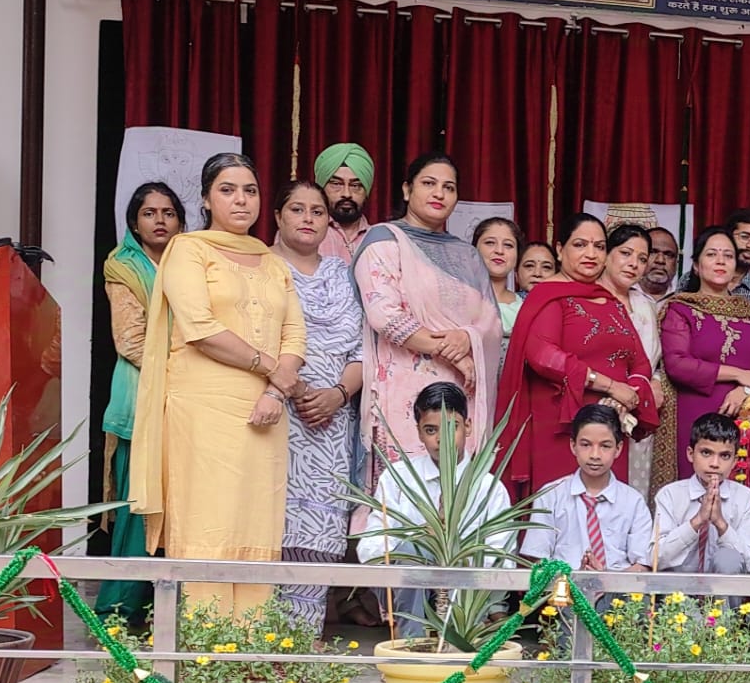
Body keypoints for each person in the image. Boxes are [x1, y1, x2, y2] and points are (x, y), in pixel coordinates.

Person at [131, 153, 307, 615]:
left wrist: (274, 391)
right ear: (207, 199)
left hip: (265, 415)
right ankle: (207, 654)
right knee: (209, 526)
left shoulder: (272, 262)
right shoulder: (188, 251)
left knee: (256, 527)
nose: (241, 199)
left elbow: (295, 332)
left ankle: (251, 650)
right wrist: (273, 370)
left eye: (249, 190)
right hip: (203, 414)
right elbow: (200, 327)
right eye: (227, 190)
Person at [355, 152, 502, 479]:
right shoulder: (384, 240)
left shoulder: (468, 256)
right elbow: (384, 314)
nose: (439, 193)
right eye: (429, 184)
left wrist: (466, 339)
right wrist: (451, 353)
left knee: (454, 491)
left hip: (460, 390)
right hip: (402, 393)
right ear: (407, 190)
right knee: (403, 491)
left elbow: (491, 322)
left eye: (448, 187)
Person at [495, 214, 659, 499]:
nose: (591, 254)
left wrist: (629, 394)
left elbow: (640, 361)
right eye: (580, 244)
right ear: (560, 249)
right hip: (562, 424)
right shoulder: (549, 296)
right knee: (561, 507)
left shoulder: (608, 299)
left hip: (611, 422)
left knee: (606, 509)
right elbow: (543, 355)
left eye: (598, 246)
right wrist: (610, 386)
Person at [268, 179, 364, 635]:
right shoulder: (261, 269)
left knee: (318, 537)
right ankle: (255, 648)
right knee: (269, 532)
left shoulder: (344, 274)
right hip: (275, 414)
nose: (308, 218)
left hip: (332, 422)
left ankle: (300, 645)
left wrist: (337, 394)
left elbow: (366, 350)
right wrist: (295, 386)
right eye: (297, 209)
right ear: (278, 217)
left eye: (318, 211)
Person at [96, 181, 185, 625]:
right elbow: (130, 340)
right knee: (138, 510)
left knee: (179, 513)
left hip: (186, 407)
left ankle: (160, 613)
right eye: (150, 213)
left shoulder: (191, 259)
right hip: (140, 400)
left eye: (168, 212)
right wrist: (188, 363)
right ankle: (117, 609)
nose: (160, 221)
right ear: (134, 221)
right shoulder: (122, 266)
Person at [361, 381, 515, 635]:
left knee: (463, 556)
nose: (440, 439)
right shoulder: (399, 478)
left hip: (466, 590)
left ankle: (462, 633)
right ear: (419, 432)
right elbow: (370, 549)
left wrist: (455, 550)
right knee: (414, 549)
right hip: (409, 588)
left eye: (450, 427)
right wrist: (422, 540)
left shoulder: (488, 487)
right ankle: (413, 641)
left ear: (467, 427)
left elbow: (503, 560)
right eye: (430, 430)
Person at [657, 225, 750, 484]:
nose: (720, 261)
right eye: (712, 254)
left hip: (747, 417)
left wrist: (746, 391)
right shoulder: (681, 309)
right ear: (696, 265)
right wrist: (740, 374)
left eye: (727, 255)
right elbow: (677, 364)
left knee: (743, 491)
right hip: (695, 416)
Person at [521, 404, 654, 572]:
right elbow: (538, 560)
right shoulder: (550, 495)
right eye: (586, 444)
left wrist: (605, 580)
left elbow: (642, 565)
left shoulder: (633, 501)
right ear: (573, 445)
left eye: (605, 446)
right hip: (562, 591)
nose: (595, 455)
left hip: (617, 594)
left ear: (618, 449)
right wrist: (572, 580)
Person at [601, 223, 664, 497]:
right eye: (626, 253)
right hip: (599, 400)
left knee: (633, 487)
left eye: (641, 258)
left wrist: (656, 381)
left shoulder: (646, 304)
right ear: (606, 254)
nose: (633, 264)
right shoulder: (589, 298)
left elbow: (654, 358)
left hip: (638, 406)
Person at [653, 413, 750, 575]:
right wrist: (697, 521)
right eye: (706, 453)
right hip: (677, 593)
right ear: (690, 454)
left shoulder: (745, 498)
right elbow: (655, 559)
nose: (715, 464)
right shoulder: (669, 495)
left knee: (728, 558)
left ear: (735, 461)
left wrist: (720, 523)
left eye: (724, 456)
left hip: (724, 595)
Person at [472, 217, 525, 357]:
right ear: (473, 249)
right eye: (490, 243)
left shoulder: (526, 307)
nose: (499, 251)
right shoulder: (460, 298)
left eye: (508, 245)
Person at [314, 143, 375, 262]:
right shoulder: (304, 232)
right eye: (336, 184)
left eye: (355, 185)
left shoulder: (380, 239)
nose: (347, 194)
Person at [640, 227, 680, 301]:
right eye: (652, 252)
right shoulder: (619, 296)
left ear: (676, 263)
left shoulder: (684, 302)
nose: (660, 260)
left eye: (668, 255)